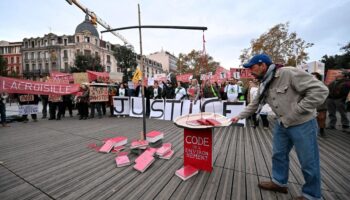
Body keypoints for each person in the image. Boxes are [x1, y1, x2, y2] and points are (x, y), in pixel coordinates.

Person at [231, 54, 329, 200]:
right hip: (282, 123)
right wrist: (238, 117)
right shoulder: (264, 82)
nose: (250, 71)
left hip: (302, 123)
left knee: (308, 162)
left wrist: (297, 110)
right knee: (279, 155)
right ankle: (279, 182)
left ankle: (312, 195)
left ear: (263, 65)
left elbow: (321, 91)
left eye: (252, 67)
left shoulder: (288, 72)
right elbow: (255, 104)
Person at [311, 72, 327, 136]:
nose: (312, 78)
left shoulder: (322, 85)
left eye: (314, 76)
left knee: (321, 118)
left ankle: (322, 130)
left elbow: (325, 95)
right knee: (311, 119)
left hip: (321, 105)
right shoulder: (307, 84)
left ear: (318, 78)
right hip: (311, 105)